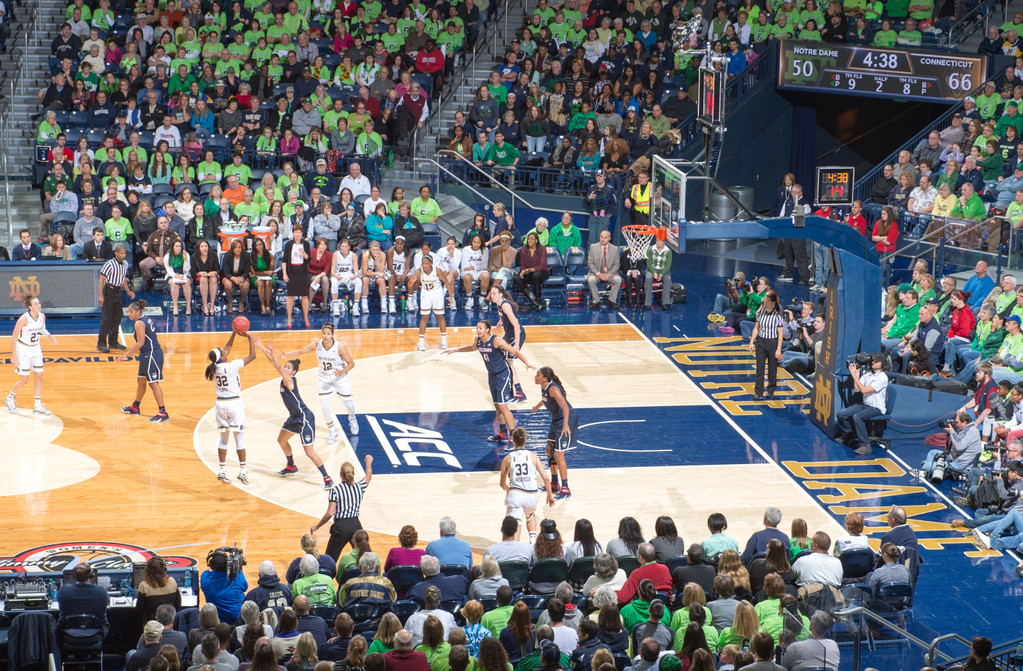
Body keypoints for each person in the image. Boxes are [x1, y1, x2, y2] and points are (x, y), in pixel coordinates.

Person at [256, 339, 334, 489]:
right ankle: (291, 466)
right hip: (294, 417)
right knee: (281, 440)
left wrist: (271, 353)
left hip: (304, 418)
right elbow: (274, 364)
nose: (285, 368)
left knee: (309, 452)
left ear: (293, 372)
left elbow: (278, 366)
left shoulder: (290, 380)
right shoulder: (284, 377)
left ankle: (327, 478)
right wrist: (262, 348)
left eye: (288, 367)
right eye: (285, 366)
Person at [443, 321, 533, 444]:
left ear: (487, 330)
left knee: (503, 406)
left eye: (481, 328)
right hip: (492, 375)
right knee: (497, 405)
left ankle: (514, 436)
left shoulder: (496, 340)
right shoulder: (478, 340)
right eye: (477, 328)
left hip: (503, 374)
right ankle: (503, 433)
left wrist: (527, 363)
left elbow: (515, 352)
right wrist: (455, 350)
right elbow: (472, 348)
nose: (478, 330)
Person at [282, 323, 359, 444]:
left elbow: (351, 363)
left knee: (348, 404)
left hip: (340, 377)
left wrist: (341, 371)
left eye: (328, 334)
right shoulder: (317, 345)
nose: (325, 336)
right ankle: (332, 431)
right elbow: (302, 351)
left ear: (332, 335)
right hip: (324, 378)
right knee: (325, 407)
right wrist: (287, 354)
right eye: (324, 333)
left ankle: (352, 417)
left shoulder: (339, 347)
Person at [205, 332, 256, 485]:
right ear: (222, 356)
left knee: (223, 440)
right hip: (234, 404)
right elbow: (252, 356)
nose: (226, 351)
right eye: (223, 352)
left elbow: (226, 350)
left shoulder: (214, 368)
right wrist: (250, 339)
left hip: (220, 405)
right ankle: (243, 471)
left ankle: (222, 470)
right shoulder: (232, 366)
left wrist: (234, 333)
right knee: (239, 439)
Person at [500, 427, 556, 544]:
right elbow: (546, 478)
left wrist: (509, 490)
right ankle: (533, 541)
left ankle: (515, 547)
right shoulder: (533, 456)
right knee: (530, 515)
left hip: (516, 494)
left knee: (516, 522)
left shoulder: (507, 458)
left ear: (513, 440)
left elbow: (502, 484)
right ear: (525, 440)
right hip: (532, 495)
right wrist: (550, 495)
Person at [313, 455, 374, 562]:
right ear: (353, 474)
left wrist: (317, 526)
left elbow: (330, 513)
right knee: (364, 558)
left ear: (341, 475)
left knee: (329, 560)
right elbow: (368, 476)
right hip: (356, 526)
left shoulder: (335, 490)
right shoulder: (359, 487)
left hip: (341, 527)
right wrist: (368, 462)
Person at [4, 295, 58, 416]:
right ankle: (10, 398)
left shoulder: (42, 316)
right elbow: (14, 335)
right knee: (24, 379)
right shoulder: (24, 319)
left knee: (39, 376)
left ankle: (37, 405)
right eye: (35, 304)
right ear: (30, 307)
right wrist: (14, 356)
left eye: (39, 303)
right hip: (23, 349)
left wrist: (50, 336)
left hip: (36, 348)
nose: (38, 305)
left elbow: (42, 329)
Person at [116, 300, 169, 422]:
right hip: (146, 354)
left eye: (131, 312)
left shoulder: (139, 323)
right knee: (141, 381)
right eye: (128, 312)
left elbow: (140, 343)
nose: (129, 314)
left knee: (153, 383)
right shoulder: (144, 318)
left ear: (138, 312)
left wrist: (125, 355)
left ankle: (163, 413)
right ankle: (135, 406)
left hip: (151, 354)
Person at [532, 366, 579, 500]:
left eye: (538, 375)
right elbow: (545, 399)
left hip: (566, 420)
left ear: (545, 378)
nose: (535, 377)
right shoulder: (544, 388)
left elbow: (565, 407)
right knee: (549, 449)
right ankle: (554, 484)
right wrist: (536, 407)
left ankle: (565, 489)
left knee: (558, 455)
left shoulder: (553, 388)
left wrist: (565, 424)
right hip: (557, 420)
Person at [835, 353, 888, 455]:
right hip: (865, 404)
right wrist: (857, 373)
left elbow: (864, 390)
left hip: (876, 407)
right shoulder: (868, 373)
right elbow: (857, 389)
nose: (873, 362)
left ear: (883, 363)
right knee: (841, 414)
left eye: (877, 361)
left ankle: (865, 445)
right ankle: (850, 434)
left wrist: (854, 376)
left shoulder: (882, 377)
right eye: (873, 360)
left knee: (857, 417)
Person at [911, 411, 982, 481]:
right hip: (955, 459)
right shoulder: (965, 429)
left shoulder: (971, 432)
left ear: (964, 422)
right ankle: (931, 465)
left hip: (961, 465)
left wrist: (952, 432)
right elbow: (956, 443)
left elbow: (959, 447)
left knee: (932, 466)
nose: (956, 424)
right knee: (933, 452)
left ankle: (926, 470)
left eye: (957, 422)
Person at [489, 284, 526, 400]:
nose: (492, 295)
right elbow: (503, 317)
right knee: (503, 360)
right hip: (509, 335)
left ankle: (519, 392)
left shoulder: (505, 305)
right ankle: (508, 387)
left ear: (501, 294)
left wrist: (516, 344)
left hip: (515, 336)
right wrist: (499, 324)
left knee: (508, 364)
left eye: (494, 293)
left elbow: (516, 324)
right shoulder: (500, 304)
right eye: (491, 293)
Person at [97, 243, 134, 353]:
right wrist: (100, 295)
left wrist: (128, 291)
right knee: (106, 319)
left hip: (118, 291)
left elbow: (123, 279)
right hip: (109, 291)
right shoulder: (109, 264)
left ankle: (113, 342)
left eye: (124, 253)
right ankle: (101, 344)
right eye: (121, 253)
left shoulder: (125, 264)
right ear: (116, 253)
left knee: (117, 317)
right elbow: (101, 279)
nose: (123, 255)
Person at [748, 290, 784, 401]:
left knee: (772, 368)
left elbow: (780, 334)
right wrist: (752, 342)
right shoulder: (760, 313)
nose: (765, 303)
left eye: (767, 302)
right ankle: (758, 392)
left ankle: (771, 389)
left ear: (773, 303)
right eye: (765, 301)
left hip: (772, 342)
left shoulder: (778, 316)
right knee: (760, 368)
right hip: (761, 342)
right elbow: (756, 328)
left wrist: (778, 349)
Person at [57, 564, 109, 637]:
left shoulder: (64, 591)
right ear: (92, 575)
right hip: (96, 633)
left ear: (74, 576)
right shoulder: (101, 592)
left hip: (68, 633)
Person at [200, 549, 248, 623]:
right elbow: (245, 587)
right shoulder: (238, 577)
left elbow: (207, 572)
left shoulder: (205, 578)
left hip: (216, 620)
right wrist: (239, 565)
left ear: (211, 564)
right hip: (237, 620)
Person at [413, 255, 450, 351]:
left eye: (426, 263)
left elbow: (446, 282)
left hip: (437, 292)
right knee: (424, 317)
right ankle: (421, 342)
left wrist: (450, 296)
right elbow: (410, 284)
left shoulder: (437, 270)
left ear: (431, 263)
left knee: (439, 316)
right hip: (425, 292)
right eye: (423, 263)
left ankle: (444, 340)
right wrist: (412, 281)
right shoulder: (418, 271)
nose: (424, 265)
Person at [136, 556, 182, 625]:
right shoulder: (172, 581)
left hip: (151, 625)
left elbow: (139, 610)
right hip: (169, 623)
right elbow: (178, 605)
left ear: (147, 571)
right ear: (164, 569)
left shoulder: (143, 585)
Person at [284, 223, 313, 329]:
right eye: (296, 232)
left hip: (302, 272)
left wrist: (303, 253)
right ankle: (289, 318)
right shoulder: (288, 244)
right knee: (290, 296)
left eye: (299, 232)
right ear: (293, 233)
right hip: (291, 271)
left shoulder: (306, 244)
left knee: (304, 296)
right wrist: (284, 274)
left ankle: (306, 318)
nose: (297, 234)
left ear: (302, 233)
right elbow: (284, 261)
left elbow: (308, 259)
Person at [586, 229, 622, 309]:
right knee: (591, 279)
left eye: (605, 237)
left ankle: (612, 300)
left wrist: (609, 274)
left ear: (609, 238)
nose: (602, 239)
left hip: (609, 273)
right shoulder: (593, 247)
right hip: (596, 273)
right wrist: (598, 274)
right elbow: (590, 263)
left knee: (618, 280)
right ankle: (596, 301)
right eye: (601, 237)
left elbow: (617, 264)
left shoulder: (615, 248)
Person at [644, 234, 672, 310]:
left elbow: (667, 265)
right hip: (651, 270)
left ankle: (665, 302)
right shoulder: (650, 249)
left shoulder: (668, 251)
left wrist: (661, 274)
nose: (658, 243)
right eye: (657, 241)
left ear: (664, 242)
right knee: (648, 278)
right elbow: (649, 263)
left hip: (664, 271)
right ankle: (647, 303)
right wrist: (654, 273)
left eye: (660, 241)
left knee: (668, 279)